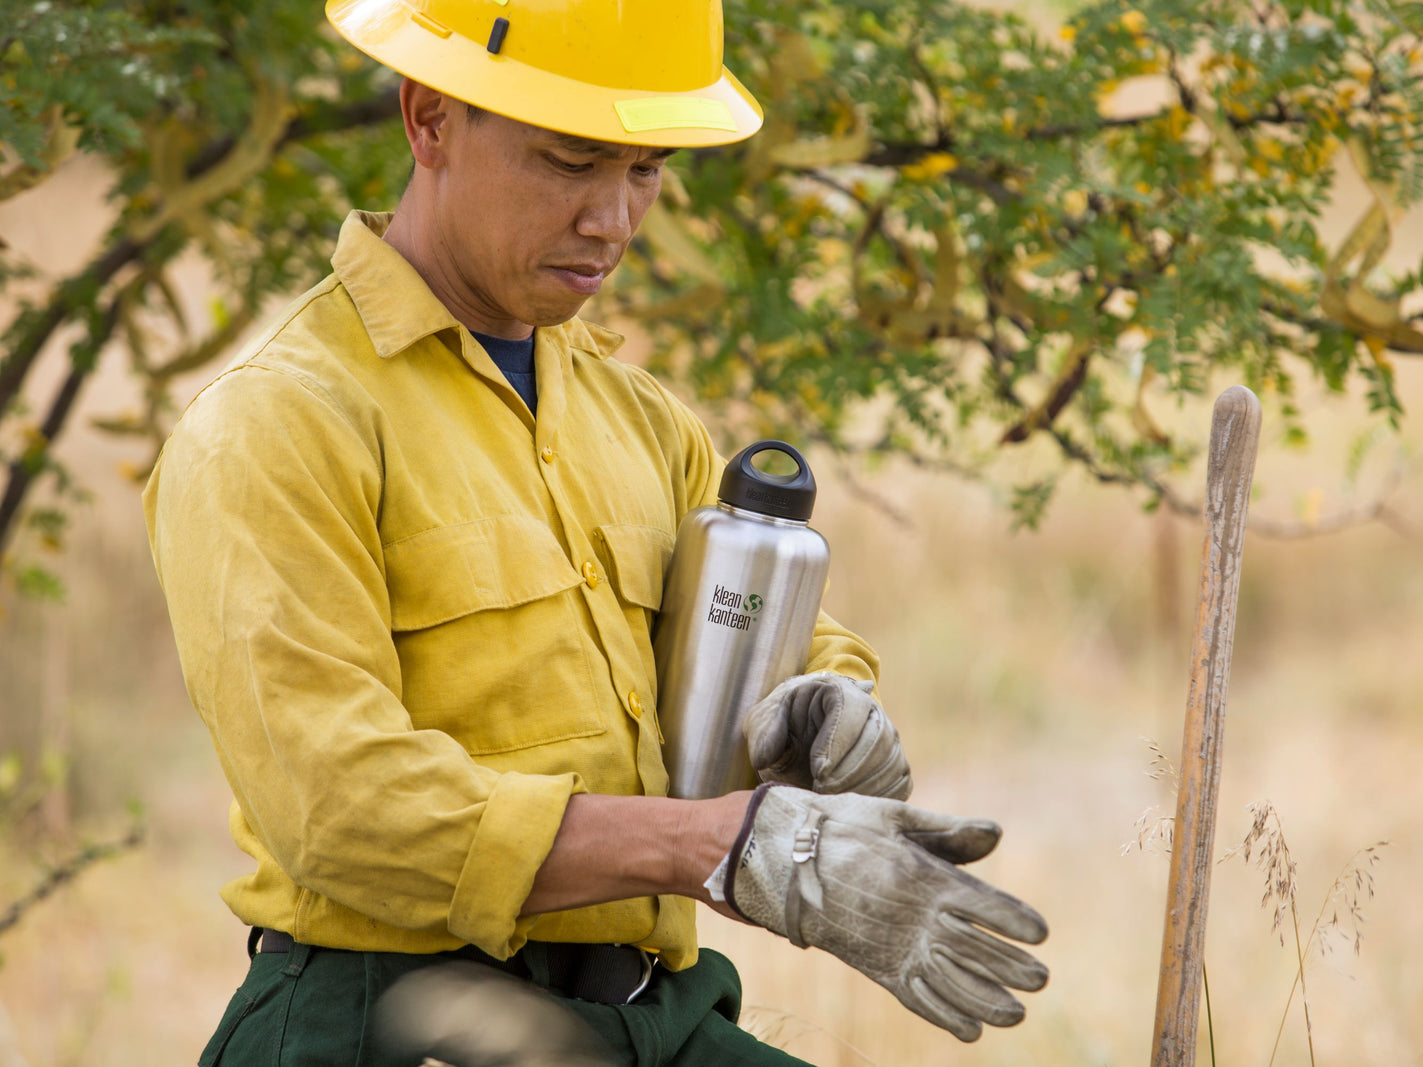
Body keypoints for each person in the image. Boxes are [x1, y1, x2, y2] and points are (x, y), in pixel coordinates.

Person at [142, 2, 1049, 1064]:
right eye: (571, 162)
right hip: (388, 1021)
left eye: (646, 171)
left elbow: (777, 648)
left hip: (653, 1018)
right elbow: (342, 809)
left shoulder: (643, 421)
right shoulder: (280, 419)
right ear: (430, 118)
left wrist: (823, 713)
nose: (612, 220)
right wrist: (724, 842)